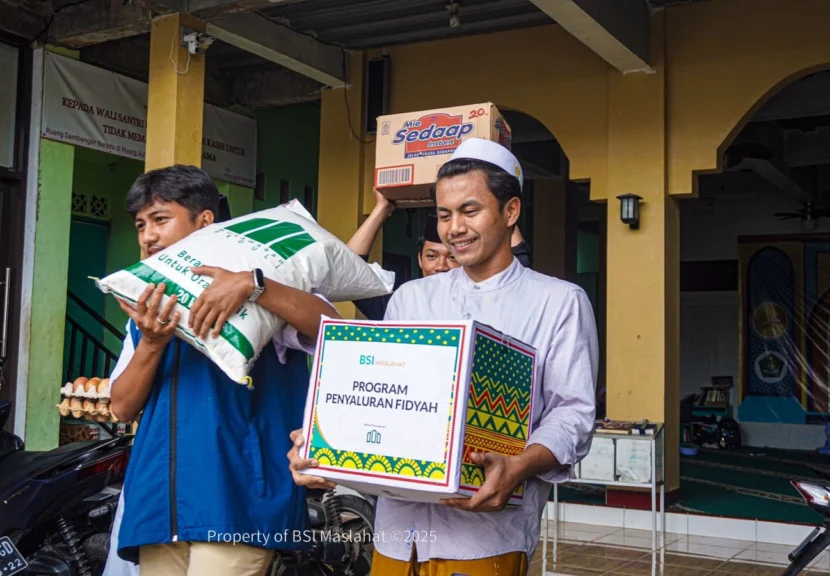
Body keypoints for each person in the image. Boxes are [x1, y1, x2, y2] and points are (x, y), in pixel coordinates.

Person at [287, 138, 599, 576]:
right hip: (395, 535)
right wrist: (329, 443)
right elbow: (382, 395)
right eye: (444, 214)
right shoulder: (410, 299)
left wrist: (518, 465)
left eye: (470, 211)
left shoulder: (559, 301)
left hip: (484, 538)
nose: (455, 228)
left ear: (510, 212)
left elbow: (573, 414)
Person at [106, 165, 338, 576]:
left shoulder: (264, 293)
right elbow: (122, 408)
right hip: (162, 503)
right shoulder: (144, 312)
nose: (147, 236)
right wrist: (153, 343)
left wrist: (255, 285)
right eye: (141, 225)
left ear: (205, 221)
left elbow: (330, 329)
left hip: (239, 498)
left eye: (160, 219)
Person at [349, 188, 531, 321]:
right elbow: (348, 270)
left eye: (452, 257)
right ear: (420, 260)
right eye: (431, 256)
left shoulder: (493, 297)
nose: (441, 266)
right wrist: (382, 208)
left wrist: (500, 204)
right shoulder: (403, 302)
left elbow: (515, 254)